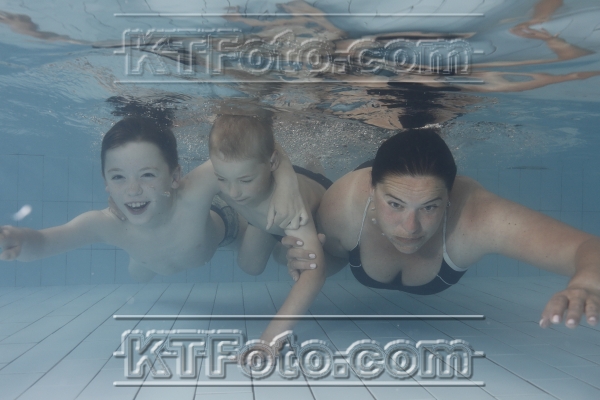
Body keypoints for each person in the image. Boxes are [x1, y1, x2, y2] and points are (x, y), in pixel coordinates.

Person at [287, 128, 600, 329]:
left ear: (449, 197)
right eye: (395, 205)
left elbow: (587, 248)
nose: (410, 228)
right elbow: (330, 257)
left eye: (429, 207)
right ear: (372, 191)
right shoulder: (344, 205)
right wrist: (298, 258)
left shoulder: (477, 216)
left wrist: (588, 282)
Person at [0, 116, 307, 282]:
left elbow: (257, 150)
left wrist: (288, 183)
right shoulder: (104, 224)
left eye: (147, 175)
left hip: (227, 226)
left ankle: (274, 237)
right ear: (105, 181)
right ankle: (143, 253)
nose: (132, 190)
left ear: (175, 176)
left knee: (252, 265)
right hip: (152, 257)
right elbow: (46, 242)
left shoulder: (193, 190)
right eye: (118, 177)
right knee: (139, 275)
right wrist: (19, 241)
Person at [209, 114, 330, 341]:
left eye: (245, 180)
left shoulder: (289, 205)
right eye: (221, 179)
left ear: (273, 163)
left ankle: (316, 169)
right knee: (249, 266)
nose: (233, 192)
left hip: (308, 205)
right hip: (265, 216)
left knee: (295, 259)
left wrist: (270, 339)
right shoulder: (230, 169)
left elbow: (315, 272)